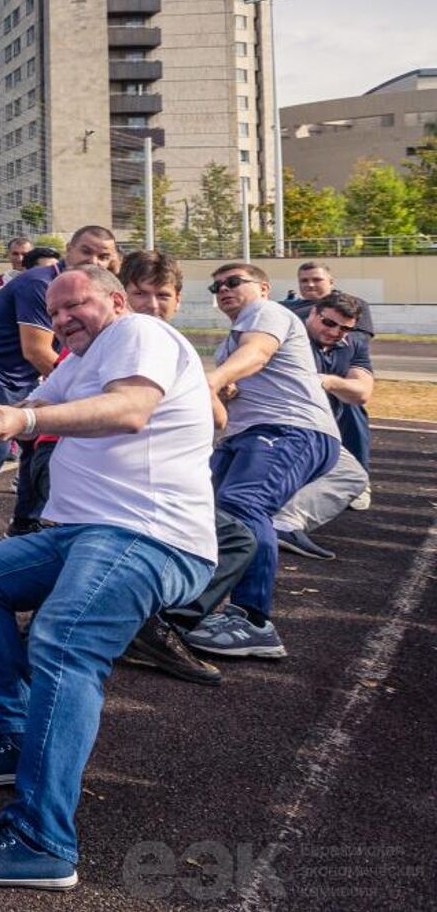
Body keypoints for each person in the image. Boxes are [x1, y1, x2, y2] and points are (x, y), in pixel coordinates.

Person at [0, 266, 217, 890]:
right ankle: (20, 736)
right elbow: (36, 405)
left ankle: (41, 839)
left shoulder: (138, 331)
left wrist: (27, 422)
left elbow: (131, 410)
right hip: (87, 533)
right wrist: (1, 415)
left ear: (114, 299)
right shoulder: (82, 359)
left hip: (146, 532)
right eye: (53, 313)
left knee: (63, 640)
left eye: (73, 306)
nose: (60, 320)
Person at [0, 226, 119, 564]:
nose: (95, 261)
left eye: (104, 255)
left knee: (39, 437)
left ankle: (24, 524)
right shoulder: (41, 284)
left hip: (19, 377)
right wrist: (89, 398)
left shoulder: (93, 291)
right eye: (86, 252)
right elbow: (37, 351)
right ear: (68, 250)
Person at [180, 262, 340, 661]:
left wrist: (213, 381)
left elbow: (259, 353)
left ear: (263, 288)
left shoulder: (268, 314)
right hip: (248, 434)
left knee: (243, 506)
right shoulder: (231, 340)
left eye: (234, 282)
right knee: (208, 513)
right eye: (217, 286)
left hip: (289, 429)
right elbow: (244, 371)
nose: (223, 290)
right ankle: (187, 602)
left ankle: (252, 620)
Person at [112, 250, 251, 687]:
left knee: (232, 538)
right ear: (122, 295)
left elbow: (218, 418)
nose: (152, 305)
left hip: (161, 478)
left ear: (177, 299)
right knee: (233, 538)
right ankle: (149, 626)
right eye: (140, 294)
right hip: (131, 481)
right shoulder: (125, 340)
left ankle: (145, 623)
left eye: (162, 295)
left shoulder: (168, 343)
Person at [304, 291, 374, 471]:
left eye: (345, 329)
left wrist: (329, 382)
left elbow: (362, 392)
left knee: (355, 483)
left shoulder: (353, 344)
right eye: (328, 323)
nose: (335, 332)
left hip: (332, 429)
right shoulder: (290, 340)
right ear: (313, 313)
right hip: (290, 430)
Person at [288, 261, 376, 337]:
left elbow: (360, 339)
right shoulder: (286, 308)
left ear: (331, 282)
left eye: (317, 280)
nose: (310, 285)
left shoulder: (354, 304)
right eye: (304, 281)